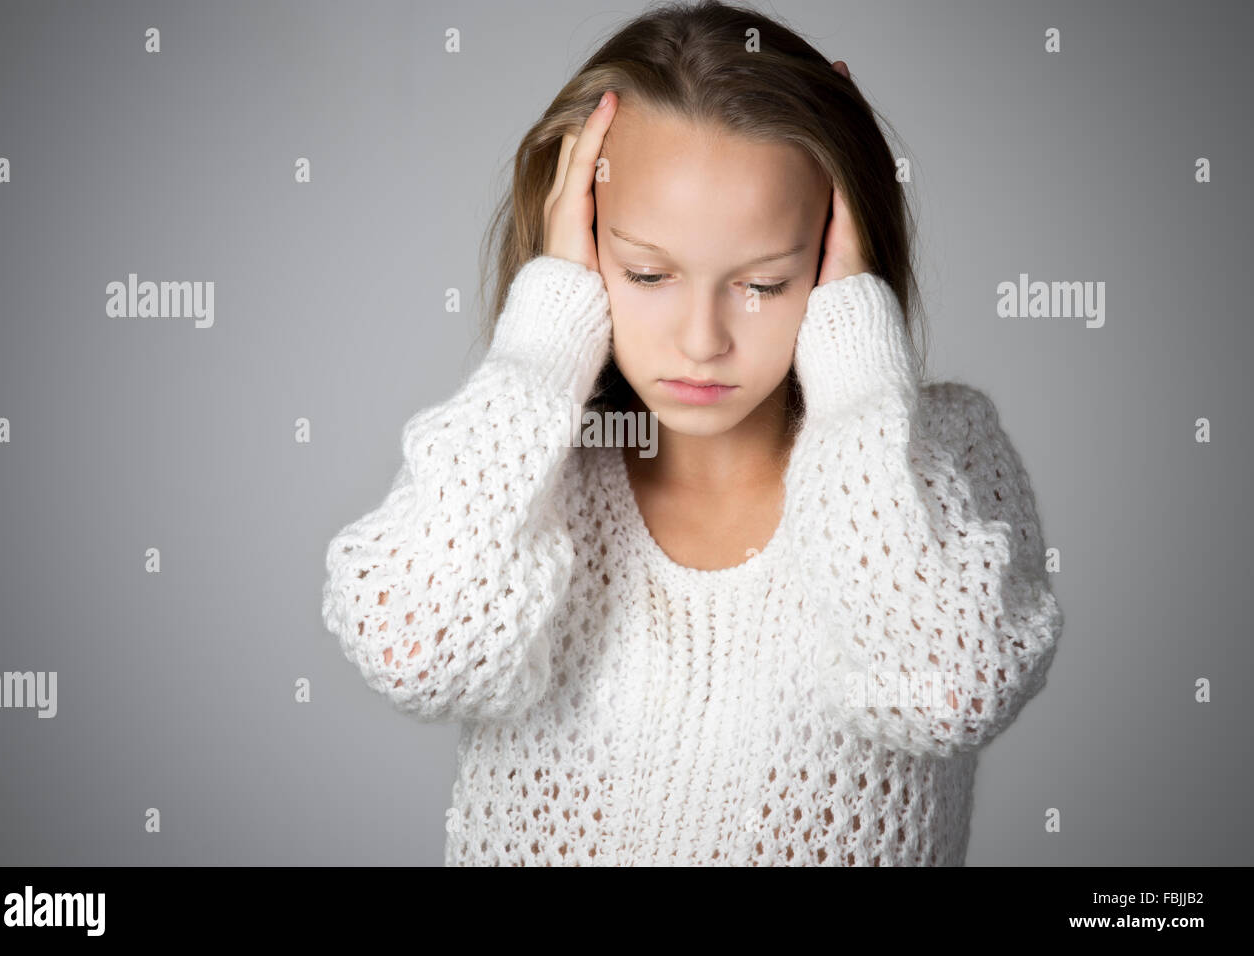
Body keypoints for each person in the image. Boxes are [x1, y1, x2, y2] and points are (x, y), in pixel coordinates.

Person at [321, 0, 1064, 866]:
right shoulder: (534, 483)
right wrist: (537, 344)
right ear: (581, 245)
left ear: (835, 262)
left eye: (762, 283)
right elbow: (415, 649)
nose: (703, 340)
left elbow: (952, 692)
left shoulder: (934, 465)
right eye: (647, 272)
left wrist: (862, 377)